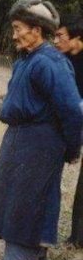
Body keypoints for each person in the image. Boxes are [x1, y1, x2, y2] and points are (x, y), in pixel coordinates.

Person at [0, 0, 83, 260]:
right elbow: (19, 96)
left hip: (39, 148)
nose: (13, 34)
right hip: (21, 144)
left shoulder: (51, 62)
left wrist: (72, 149)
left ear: (37, 30)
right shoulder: (28, 59)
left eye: (18, 28)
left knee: (26, 211)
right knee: (18, 207)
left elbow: (72, 111)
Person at [54, 14, 83, 247]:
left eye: (60, 36)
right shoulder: (62, 61)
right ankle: (76, 236)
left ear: (77, 38)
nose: (56, 40)